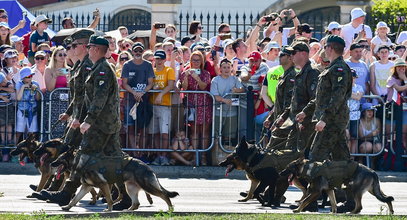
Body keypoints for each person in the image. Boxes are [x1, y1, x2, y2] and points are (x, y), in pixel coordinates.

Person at [35, 35, 126, 209]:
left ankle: (66, 193)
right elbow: (84, 99)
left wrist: (87, 121)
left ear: (97, 49)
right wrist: (75, 115)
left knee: (82, 157)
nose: (88, 49)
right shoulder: (96, 68)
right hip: (102, 124)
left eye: (90, 47)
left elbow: (99, 99)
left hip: (102, 124)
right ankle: (126, 196)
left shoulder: (103, 70)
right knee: (115, 160)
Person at [299, 35, 352, 161]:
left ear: (330, 48)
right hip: (331, 120)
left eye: (325, 46)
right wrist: (306, 111)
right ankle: (352, 179)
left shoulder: (339, 69)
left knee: (315, 157)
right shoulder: (332, 68)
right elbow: (322, 96)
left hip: (332, 121)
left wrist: (324, 119)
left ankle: (355, 179)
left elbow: (337, 97)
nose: (324, 50)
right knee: (342, 159)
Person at [276, 41, 319, 152]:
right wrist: (284, 116)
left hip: (307, 124)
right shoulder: (300, 73)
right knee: (290, 155)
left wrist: (305, 112)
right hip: (296, 123)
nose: (291, 56)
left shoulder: (312, 73)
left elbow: (316, 98)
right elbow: (295, 100)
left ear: (303, 54)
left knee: (301, 158)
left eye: (294, 53)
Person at [121, 42, 154, 154]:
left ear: (143, 51)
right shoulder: (127, 65)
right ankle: (134, 152)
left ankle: (142, 153)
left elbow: (150, 83)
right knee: (130, 127)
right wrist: (134, 92)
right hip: (129, 100)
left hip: (144, 101)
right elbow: (124, 83)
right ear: (133, 52)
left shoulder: (148, 65)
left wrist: (142, 93)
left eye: (140, 51)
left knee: (143, 127)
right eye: (136, 51)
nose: (138, 53)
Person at [180, 51, 212, 165]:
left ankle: (203, 157)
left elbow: (204, 86)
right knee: (194, 131)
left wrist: (197, 78)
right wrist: (187, 76)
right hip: (192, 104)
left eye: (198, 60)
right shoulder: (185, 72)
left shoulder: (206, 73)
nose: (196, 62)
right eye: (194, 60)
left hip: (204, 104)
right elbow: (184, 87)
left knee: (204, 131)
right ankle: (194, 156)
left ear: (202, 62)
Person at [263, 46, 296, 150]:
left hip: (288, 118)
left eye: (282, 55)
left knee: (282, 149)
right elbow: (277, 100)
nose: (279, 56)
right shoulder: (282, 75)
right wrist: (272, 116)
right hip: (278, 114)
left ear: (290, 58)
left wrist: (279, 116)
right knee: (275, 149)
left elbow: (291, 101)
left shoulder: (295, 75)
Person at [149, 50, 175, 166]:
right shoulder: (152, 71)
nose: (159, 61)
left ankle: (163, 156)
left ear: (165, 60)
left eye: (161, 59)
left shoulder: (169, 70)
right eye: (157, 59)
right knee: (154, 133)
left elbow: (170, 85)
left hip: (165, 105)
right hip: (152, 105)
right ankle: (157, 155)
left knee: (164, 133)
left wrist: (160, 94)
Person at [210, 58, 244, 145]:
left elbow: (242, 89)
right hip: (218, 112)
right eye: (224, 67)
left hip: (232, 113)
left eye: (228, 67)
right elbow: (214, 95)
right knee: (216, 136)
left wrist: (236, 90)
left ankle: (226, 155)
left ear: (231, 68)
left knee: (229, 137)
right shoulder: (215, 80)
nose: (226, 69)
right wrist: (224, 100)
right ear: (220, 69)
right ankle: (216, 156)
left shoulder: (235, 79)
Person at [15, 67, 41, 144]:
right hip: (22, 111)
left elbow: (38, 98)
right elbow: (18, 98)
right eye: (27, 76)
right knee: (19, 132)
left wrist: (37, 90)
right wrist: (23, 87)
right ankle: (15, 148)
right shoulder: (19, 84)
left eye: (31, 76)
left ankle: (30, 150)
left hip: (33, 111)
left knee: (32, 133)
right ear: (23, 77)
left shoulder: (35, 84)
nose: (30, 78)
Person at [386, 59, 407, 148]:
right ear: (395, 68)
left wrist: (405, 79)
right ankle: (389, 157)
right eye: (399, 66)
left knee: (403, 136)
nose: (401, 68)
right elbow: (398, 88)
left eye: (403, 66)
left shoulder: (405, 79)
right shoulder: (391, 79)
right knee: (389, 136)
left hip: (404, 110)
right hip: (392, 109)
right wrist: (405, 79)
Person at [347, 69, 363, 157]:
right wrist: (354, 94)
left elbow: (358, 97)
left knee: (354, 137)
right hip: (345, 115)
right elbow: (355, 95)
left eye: (353, 77)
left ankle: (352, 157)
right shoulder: (343, 87)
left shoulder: (359, 87)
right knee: (346, 136)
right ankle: (346, 156)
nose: (352, 79)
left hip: (355, 115)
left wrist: (348, 93)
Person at [0, 72, 15, 149]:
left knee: (9, 123)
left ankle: (10, 140)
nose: (2, 83)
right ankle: (3, 140)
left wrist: (2, 88)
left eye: (3, 81)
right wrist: (2, 97)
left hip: (8, 106)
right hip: (1, 107)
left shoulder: (8, 83)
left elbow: (12, 90)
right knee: (2, 124)